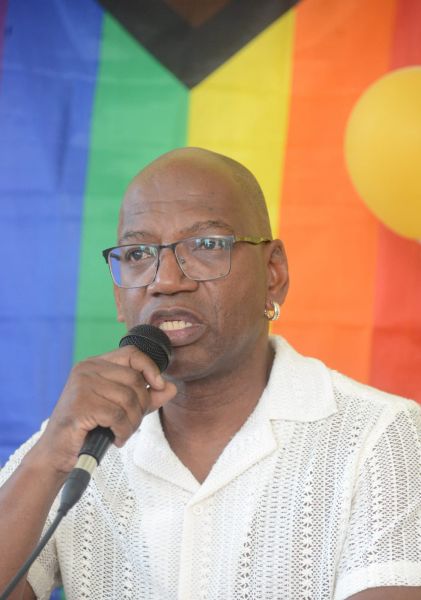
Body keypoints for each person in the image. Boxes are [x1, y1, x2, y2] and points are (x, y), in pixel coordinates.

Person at [0, 147, 420, 600]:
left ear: (273, 273)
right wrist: (48, 459)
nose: (165, 280)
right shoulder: (73, 443)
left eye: (206, 246)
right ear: (119, 297)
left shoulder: (383, 437)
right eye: (138, 253)